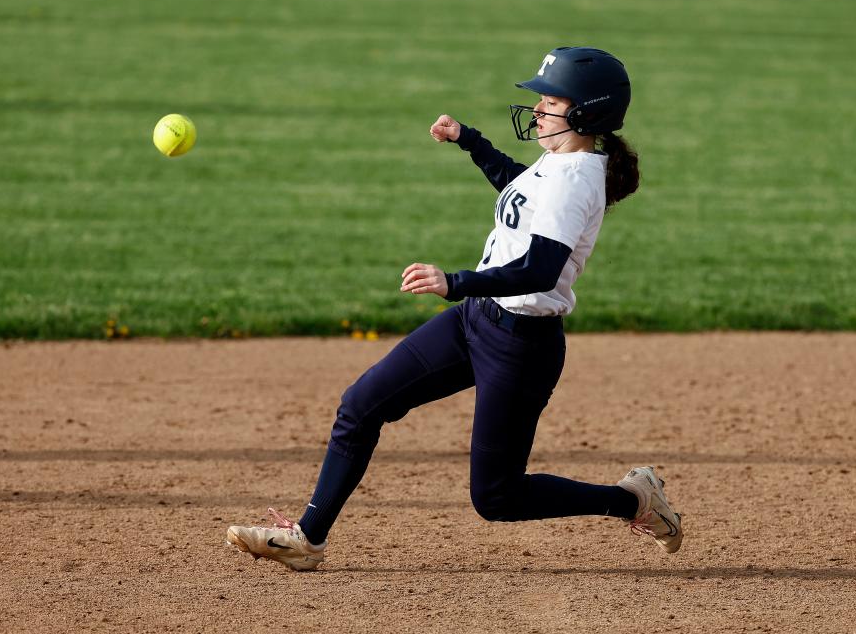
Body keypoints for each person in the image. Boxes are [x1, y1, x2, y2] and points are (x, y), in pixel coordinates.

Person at [226, 47, 683, 571]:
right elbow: (520, 188)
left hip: (521, 345)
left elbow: (540, 270)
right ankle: (309, 538)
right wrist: (472, 142)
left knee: (496, 497)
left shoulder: (577, 178)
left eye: (550, 100)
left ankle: (633, 500)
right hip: (477, 322)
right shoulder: (560, 162)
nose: (537, 109)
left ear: (586, 112)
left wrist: (456, 282)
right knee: (360, 406)